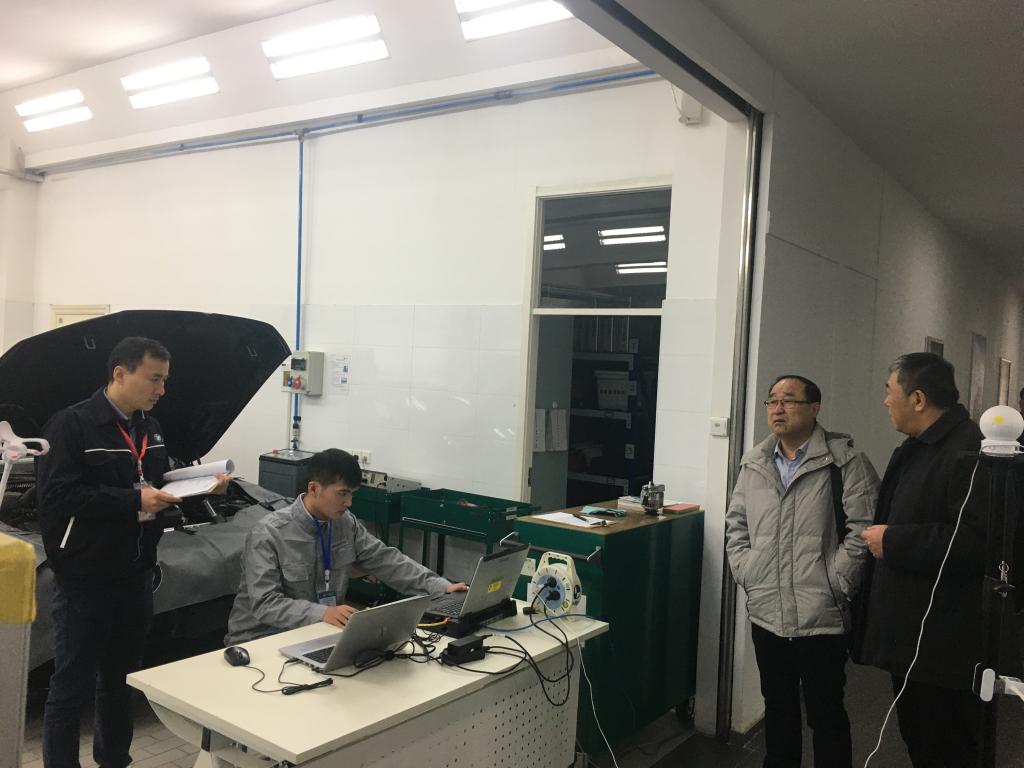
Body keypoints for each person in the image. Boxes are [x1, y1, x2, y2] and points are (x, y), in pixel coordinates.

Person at [36, 337, 228, 768]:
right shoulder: (71, 425)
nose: (162, 390)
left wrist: (201, 485)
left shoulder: (150, 428)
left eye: (165, 380)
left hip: (135, 575)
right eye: (154, 379)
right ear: (120, 374)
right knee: (70, 686)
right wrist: (132, 500)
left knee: (121, 681)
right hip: (85, 579)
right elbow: (58, 495)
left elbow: (158, 484)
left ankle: (114, 761)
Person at [725, 374, 878, 768]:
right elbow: (736, 524)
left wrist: (838, 580)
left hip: (821, 615)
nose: (778, 408)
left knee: (826, 714)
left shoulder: (846, 463)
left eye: (789, 400)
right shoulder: (754, 463)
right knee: (777, 708)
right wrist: (747, 570)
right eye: (772, 401)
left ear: (814, 408)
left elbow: (864, 530)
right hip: (767, 611)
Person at [853, 353, 990, 766]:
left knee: (945, 745)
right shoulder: (919, 447)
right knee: (920, 737)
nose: (885, 401)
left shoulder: (969, 452)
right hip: (913, 636)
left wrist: (892, 541)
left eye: (889, 391)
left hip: (942, 646)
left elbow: (977, 542)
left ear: (917, 399)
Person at [226, 448, 466, 644]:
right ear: (313, 488)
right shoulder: (269, 534)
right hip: (261, 641)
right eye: (342, 493)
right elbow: (265, 603)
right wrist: (322, 613)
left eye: (352, 494)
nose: (349, 502)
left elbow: (385, 559)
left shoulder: (344, 524)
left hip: (319, 633)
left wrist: (440, 586)